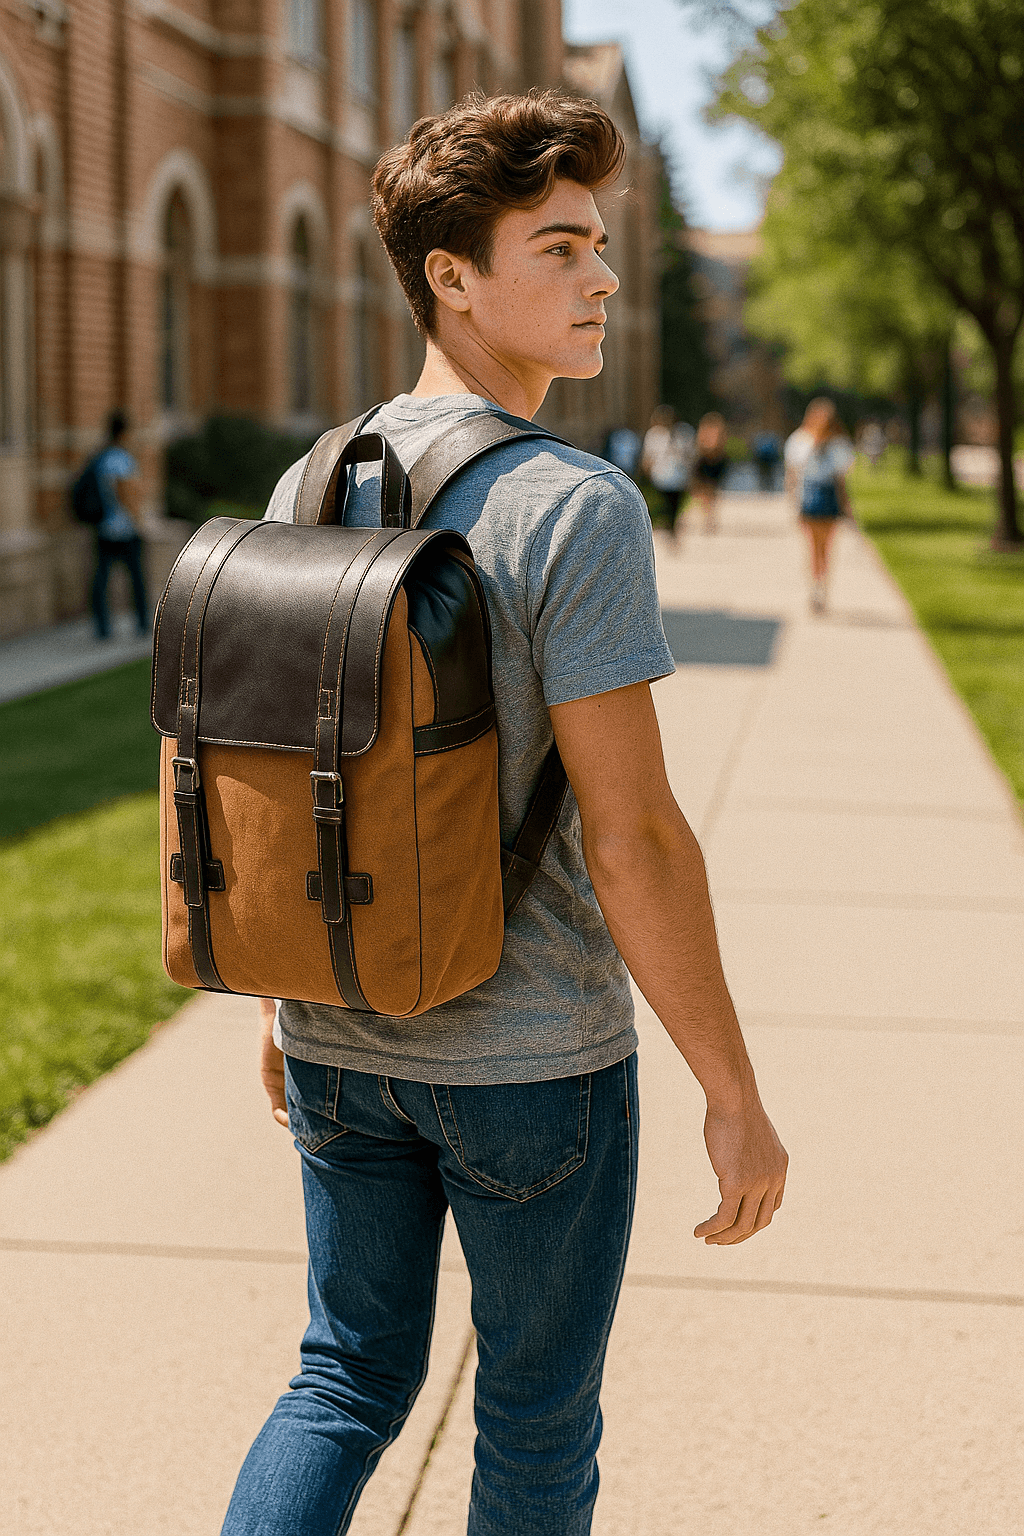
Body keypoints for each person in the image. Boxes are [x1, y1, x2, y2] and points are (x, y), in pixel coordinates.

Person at [222, 91, 787, 1536]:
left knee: (341, 1380)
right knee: (536, 1426)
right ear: (452, 278)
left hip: (340, 1040)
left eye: (601, 244)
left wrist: (280, 1005)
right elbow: (637, 833)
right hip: (532, 1060)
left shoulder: (314, 475)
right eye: (561, 247)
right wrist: (732, 1088)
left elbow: (287, 782)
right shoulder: (573, 506)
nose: (601, 277)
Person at [784, 397, 855, 614]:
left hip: (828, 500)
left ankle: (822, 587)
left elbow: (841, 482)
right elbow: (792, 477)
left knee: (826, 547)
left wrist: (846, 507)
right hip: (808, 499)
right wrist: (793, 504)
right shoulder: (799, 441)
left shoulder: (839, 446)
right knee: (813, 547)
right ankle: (815, 587)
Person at [87, 410, 149, 638]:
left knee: (101, 578)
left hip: (104, 528)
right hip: (124, 528)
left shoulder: (100, 458)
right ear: (123, 433)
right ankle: (142, 623)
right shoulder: (121, 459)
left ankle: (102, 627)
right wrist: (138, 520)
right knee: (136, 579)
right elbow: (126, 493)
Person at [640, 404, 694, 540]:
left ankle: (672, 526)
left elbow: (690, 454)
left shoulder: (683, 432)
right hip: (661, 474)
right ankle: (667, 525)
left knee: (675, 503)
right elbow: (649, 456)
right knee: (664, 502)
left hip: (678, 475)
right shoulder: (654, 434)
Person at [690, 411, 729, 533]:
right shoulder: (712, 431)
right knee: (705, 491)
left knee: (710, 492)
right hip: (707, 460)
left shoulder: (711, 431)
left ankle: (709, 517)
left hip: (713, 461)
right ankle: (708, 517)